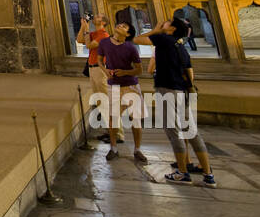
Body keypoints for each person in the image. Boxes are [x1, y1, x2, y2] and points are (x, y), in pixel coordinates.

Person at [134, 18, 215, 187]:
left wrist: (156, 30)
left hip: (167, 89)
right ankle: (208, 174)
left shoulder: (163, 40)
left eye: (166, 23)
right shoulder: (181, 47)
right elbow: (189, 74)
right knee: (191, 132)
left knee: (174, 132)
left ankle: (183, 173)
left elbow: (136, 39)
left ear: (172, 29)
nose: (162, 23)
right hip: (182, 92)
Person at [96, 20, 145, 162]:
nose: (119, 26)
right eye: (119, 24)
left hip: (130, 86)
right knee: (113, 117)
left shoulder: (130, 48)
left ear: (128, 34)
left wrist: (125, 72)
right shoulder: (105, 43)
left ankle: (137, 149)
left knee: (135, 119)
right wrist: (105, 71)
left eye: (124, 26)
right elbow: (100, 60)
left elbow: (139, 70)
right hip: (114, 85)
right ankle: (113, 148)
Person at [76, 14, 124, 143]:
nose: (95, 17)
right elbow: (80, 40)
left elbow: (89, 46)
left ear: (103, 22)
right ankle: (110, 130)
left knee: (106, 101)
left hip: (100, 69)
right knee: (100, 101)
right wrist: (83, 27)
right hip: (92, 68)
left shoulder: (103, 35)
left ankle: (118, 133)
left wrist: (86, 30)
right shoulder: (94, 33)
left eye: (98, 16)